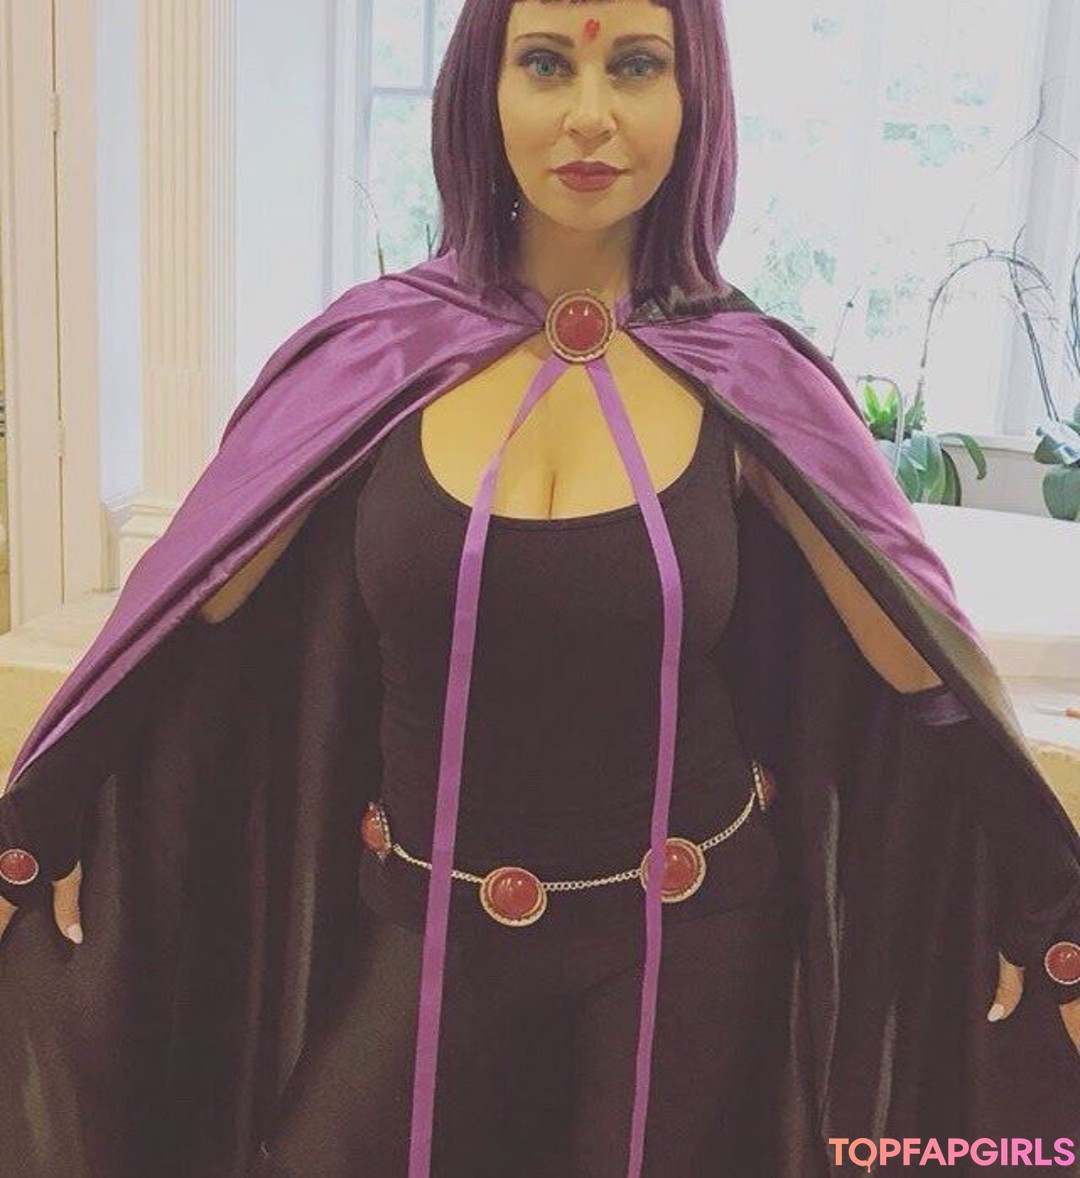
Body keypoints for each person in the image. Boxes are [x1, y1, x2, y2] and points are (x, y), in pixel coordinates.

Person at [1, 1, 1078, 1176]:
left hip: (690, 939)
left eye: (637, 65)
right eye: (547, 63)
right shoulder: (378, 354)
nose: (590, 115)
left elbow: (915, 655)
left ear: (693, 97)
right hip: (422, 928)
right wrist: (41, 817)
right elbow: (197, 608)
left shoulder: (747, 374)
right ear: (486, 87)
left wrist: (1046, 897)